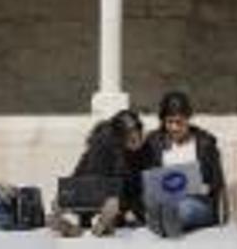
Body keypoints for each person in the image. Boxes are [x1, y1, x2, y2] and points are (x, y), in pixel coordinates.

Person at [48, 109, 146, 237]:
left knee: (112, 205)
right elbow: (81, 173)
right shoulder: (108, 148)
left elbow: (131, 186)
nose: (134, 137)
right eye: (130, 135)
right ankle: (90, 225)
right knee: (61, 202)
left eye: (135, 132)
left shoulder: (139, 150)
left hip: (117, 201)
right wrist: (64, 196)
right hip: (103, 197)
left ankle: (100, 224)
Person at [141, 91, 226, 238]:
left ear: (188, 119)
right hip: (164, 199)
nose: (174, 127)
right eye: (170, 122)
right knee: (157, 205)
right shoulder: (154, 142)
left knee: (184, 209)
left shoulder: (204, 143)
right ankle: (162, 222)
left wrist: (206, 187)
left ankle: (168, 221)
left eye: (179, 122)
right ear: (163, 121)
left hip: (197, 201)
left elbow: (217, 181)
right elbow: (146, 176)